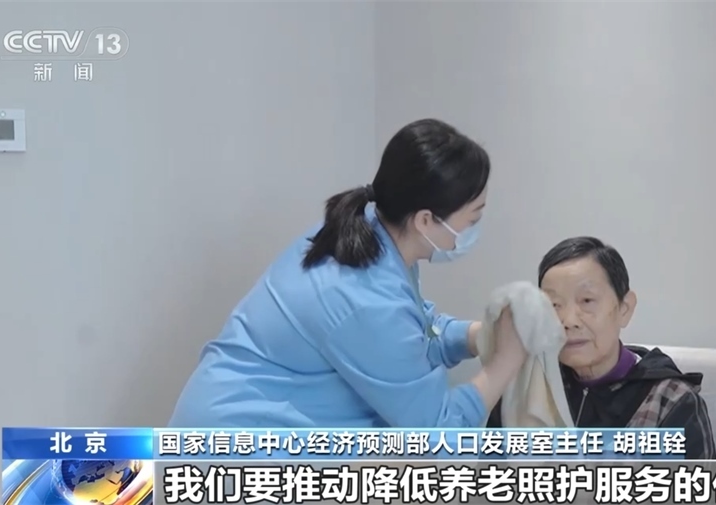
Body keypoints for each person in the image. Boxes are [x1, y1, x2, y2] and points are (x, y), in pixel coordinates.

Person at [169, 119, 527, 428]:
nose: (475, 227)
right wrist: (505, 361)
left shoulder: (370, 233)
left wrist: (476, 336)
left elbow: (414, 330)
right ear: (425, 220)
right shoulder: (365, 296)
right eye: (473, 217)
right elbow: (438, 434)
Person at [487, 237, 716, 459]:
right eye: (554, 305)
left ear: (624, 309)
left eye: (587, 301)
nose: (569, 321)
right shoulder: (524, 387)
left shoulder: (669, 401)